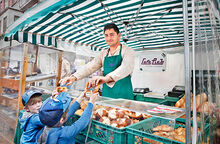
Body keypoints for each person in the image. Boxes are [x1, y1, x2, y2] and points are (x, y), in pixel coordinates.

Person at [61, 23, 135, 100]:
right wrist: (74, 77)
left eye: (112, 34)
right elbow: (90, 67)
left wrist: (106, 78)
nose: (109, 38)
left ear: (119, 35)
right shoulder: (103, 53)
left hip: (124, 95)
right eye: (106, 35)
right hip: (107, 95)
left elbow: (126, 68)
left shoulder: (128, 51)